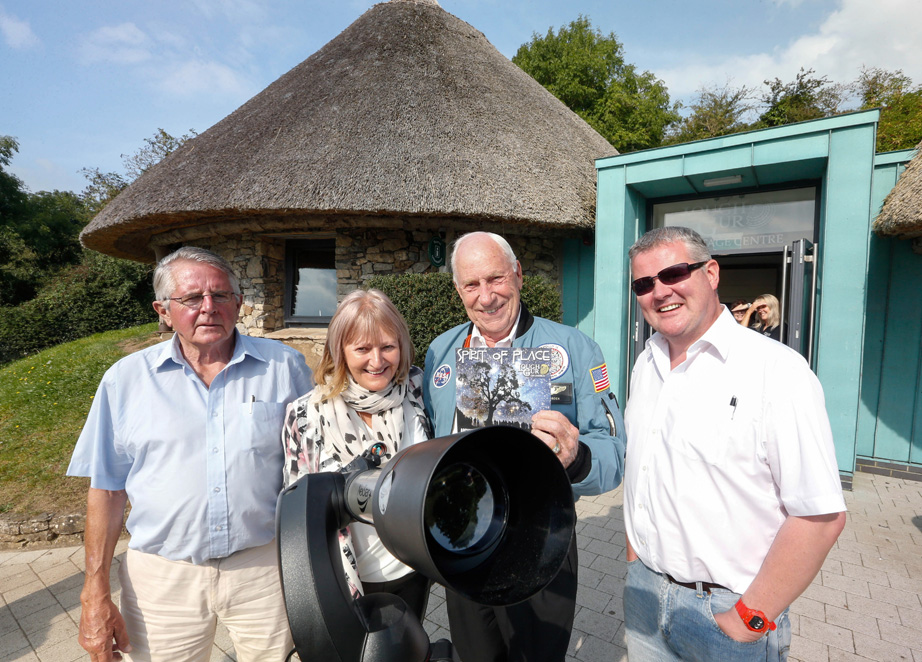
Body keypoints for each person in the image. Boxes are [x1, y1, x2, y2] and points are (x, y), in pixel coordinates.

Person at [67, 247, 313, 662]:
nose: (208, 308)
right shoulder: (124, 382)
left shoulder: (285, 367)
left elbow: (310, 465)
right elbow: (107, 490)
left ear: (238, 302)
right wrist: (95, 591)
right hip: (162, 580)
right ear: (163, 310)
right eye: (190, 298)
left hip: (264, 569)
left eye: (220, 295)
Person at [623, 226, 846, 662]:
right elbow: (643, 472)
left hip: (727, 614)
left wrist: (751, 618)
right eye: (644, 284)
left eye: (673, 274)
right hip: (645, 595)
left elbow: (820, 516)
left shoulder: (777, 371)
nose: (659, 291)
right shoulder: (645, 364)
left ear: (711, 273)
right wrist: (636, 558)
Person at [423, 231, 626, 662]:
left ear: (518, 275)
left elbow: (614, 453)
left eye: (495, 278)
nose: (486, 297)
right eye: (471, 285)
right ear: (457, 289)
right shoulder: (440, 352)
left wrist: (576, 459)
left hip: (541, 536)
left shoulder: (575, 348)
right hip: (463, 536)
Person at [281, 288, 432, 619]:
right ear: (340, 351)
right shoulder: (307, 414)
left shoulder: (417, 391)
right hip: (345, 580)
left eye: (387, 347)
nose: (377, 361)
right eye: (362, 348)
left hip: (414, 568)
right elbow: (299, 508)